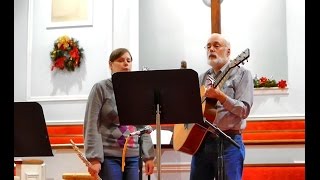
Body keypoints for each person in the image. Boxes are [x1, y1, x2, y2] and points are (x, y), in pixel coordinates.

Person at [83, 48, 155, 180]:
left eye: (128, 60)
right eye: (120, 60)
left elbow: (143, 127)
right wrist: (94, 158)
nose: (126, 64)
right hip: (109, 157)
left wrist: (149, 157)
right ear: (110, 65)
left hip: (134, 156)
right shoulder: (100, 88)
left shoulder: (137, 90)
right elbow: (91, 124)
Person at [190, 33, 254, 180]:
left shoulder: (242, 75)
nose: (211, 49)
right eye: (208, 46)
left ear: (228, 51)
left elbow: (244, 110)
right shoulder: (202, 78)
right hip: (202, 142)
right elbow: (194, 110)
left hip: (229, 142)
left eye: (216, 46)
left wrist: (221, 97)